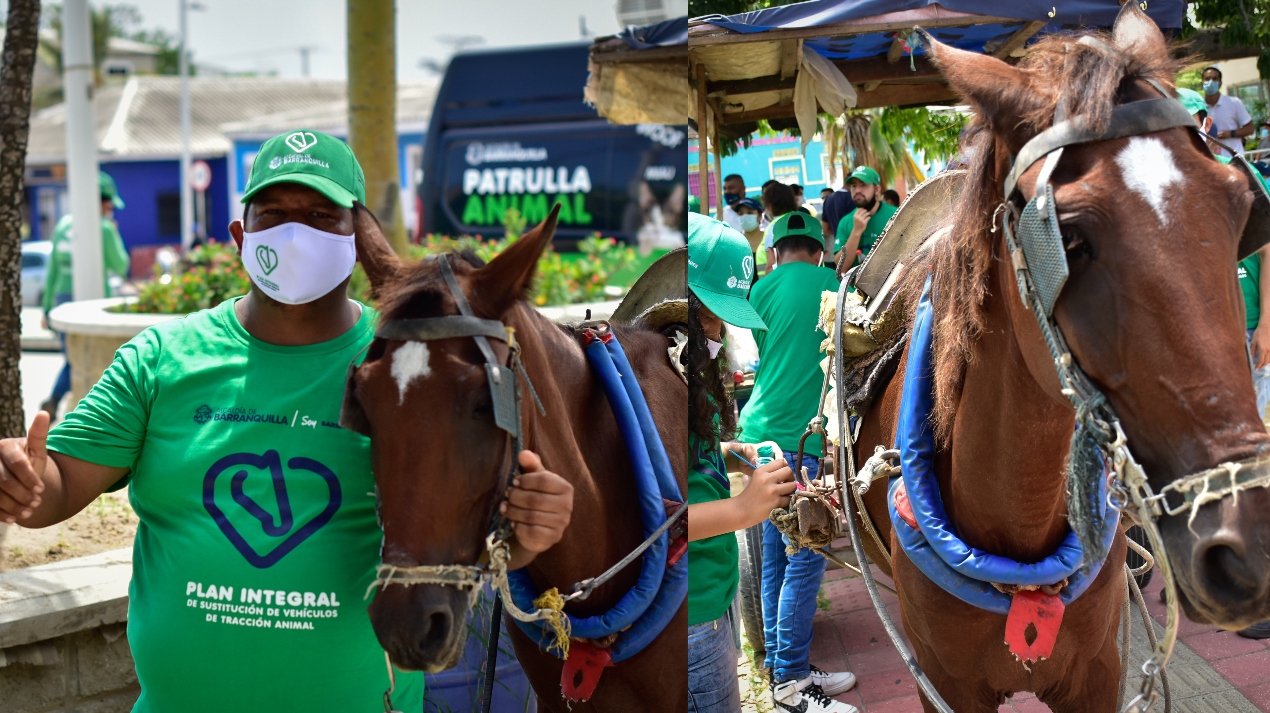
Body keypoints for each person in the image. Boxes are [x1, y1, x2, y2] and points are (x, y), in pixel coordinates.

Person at [0, 130, 576, 711]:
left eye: (322, 216)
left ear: (357, 244)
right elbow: (62, 484)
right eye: (273, 213)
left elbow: (460, 537)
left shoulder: (405, 372)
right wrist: (23, 482)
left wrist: (529, 534)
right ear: (240, 236)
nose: (295, 233)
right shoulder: (160, 359)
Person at [739, 212, 857, 713]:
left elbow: (755, 360)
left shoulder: (758, 291)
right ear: (817, 249)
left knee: (776, 561)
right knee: (805, 559)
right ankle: (791, 684)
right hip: (801, 444)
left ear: (776, 251)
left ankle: (784, 667)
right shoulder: (835, 283)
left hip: (757, 438)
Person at [686, 212, 798, 713]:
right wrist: (741, 511)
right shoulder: (654, 389)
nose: (715, 333)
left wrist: (734, 454)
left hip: (713, 599)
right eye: (707, 317)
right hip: (687, 619)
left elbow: (694, 457)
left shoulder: (690, 377)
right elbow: (646, 521)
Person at [1179, 87, 1270, 639]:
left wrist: (1267, 328)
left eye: (1192, 116)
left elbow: (1265, 250)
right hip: (1203, 341)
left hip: (1247, 331)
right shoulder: (1168, 180)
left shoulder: (1235, 175)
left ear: (1205, 118)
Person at [39, 171, 132, 421]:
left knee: (73, 357)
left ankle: (54, 400)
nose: (111, 210)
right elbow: (121, 265)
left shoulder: (63, 225)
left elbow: (53, 272)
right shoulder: (103, 227)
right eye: (110, 204)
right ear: (101, 201)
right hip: (93, 299)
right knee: (82, 358)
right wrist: (114, 233)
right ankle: (60, 401)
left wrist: (46, 308)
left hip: (61, 299)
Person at [834, 166, 897, 269]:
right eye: (854, 186)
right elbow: (841, 267)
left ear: (877, 189)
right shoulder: (845, 221)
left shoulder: (895, 215)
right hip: (854, 284)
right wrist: (856, 231)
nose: (858, 190)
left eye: (863, 185)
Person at [1202, 66, 1254, 157]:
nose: (1210, 82)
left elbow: (1250, 128)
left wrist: (1231, 133)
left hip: (1234, 159)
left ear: (1220, 84)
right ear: (1202, 83)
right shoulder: (1199, 107)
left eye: (1215, 79)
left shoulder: (1233, 103)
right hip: (1211, 161)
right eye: (1207, 79)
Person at [760, 182, 799, 271]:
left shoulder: (775, 227)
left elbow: (772, 265)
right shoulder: (804, 221)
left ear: (769, 204)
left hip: (778, 282)